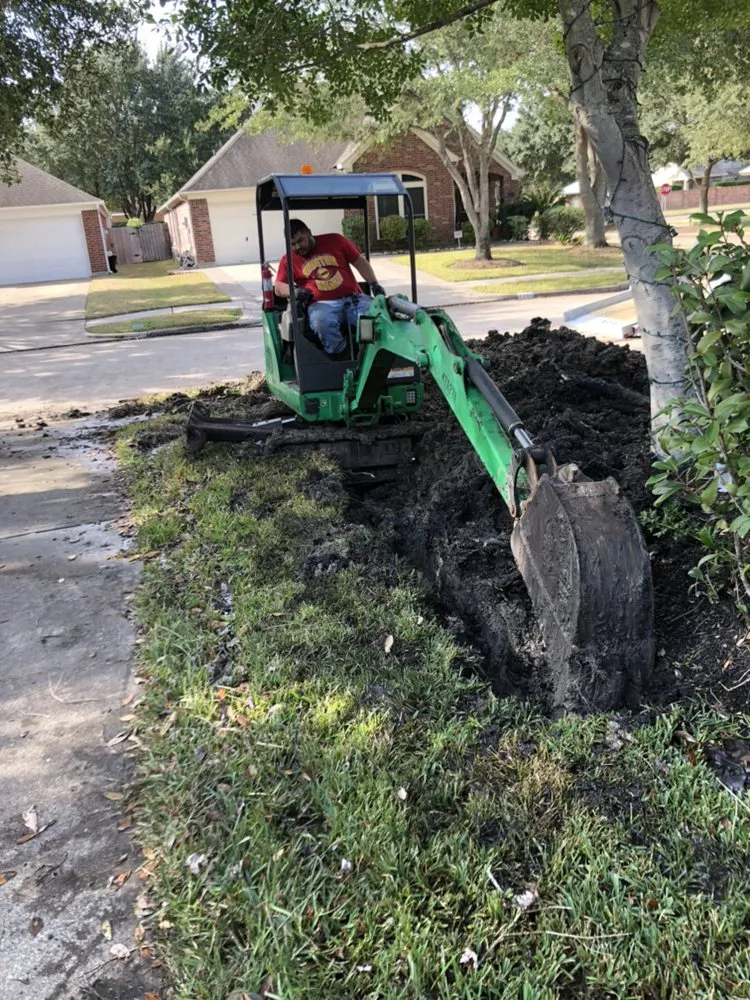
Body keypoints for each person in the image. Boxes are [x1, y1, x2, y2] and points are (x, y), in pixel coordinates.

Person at [274, 219, 386, 358]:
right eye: (292, 244)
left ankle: (370, 354)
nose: (297, 247)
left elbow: (359, 262)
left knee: (375, 315)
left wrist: (374, 284)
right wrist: (294, 292)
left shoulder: (335, 240)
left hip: (354, 299)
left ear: (309, 233)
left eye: (300, 240)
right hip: (321, 305)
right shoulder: (288, 260)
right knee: (322, 323)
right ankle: (341, 355)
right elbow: (278, 287)